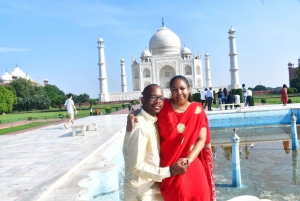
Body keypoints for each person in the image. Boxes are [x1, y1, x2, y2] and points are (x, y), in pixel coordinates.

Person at [128, 76, 216, 201]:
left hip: (191, 163)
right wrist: (132, 114)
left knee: (199, 195)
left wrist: (188, 160)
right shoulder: (164, 107)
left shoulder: (197, 109)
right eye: (174, 89)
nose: (179, 92)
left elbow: (202, 139)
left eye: (182, 88)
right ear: (170, 92)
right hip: (169, 166)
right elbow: (147, 110)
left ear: (188, 89)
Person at [123, 84, 189, 201]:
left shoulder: (154, 120)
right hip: (141, 192)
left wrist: (132, 113)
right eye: (153, 97)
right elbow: (136, 166)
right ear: (143, 100)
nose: (158, 101)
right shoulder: (139, 127)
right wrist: (170, 171)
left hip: (152, 186)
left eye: (161, 98)